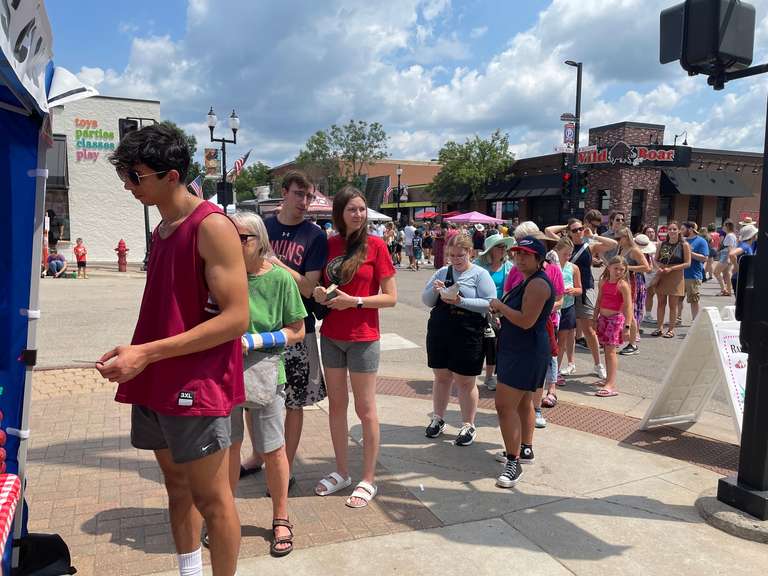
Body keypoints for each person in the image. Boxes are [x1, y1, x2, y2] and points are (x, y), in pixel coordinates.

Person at [97, 123, 248, 576]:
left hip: (197, 386)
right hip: (156, 380)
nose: (128, 185)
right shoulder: (163, 228)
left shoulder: (213, 226)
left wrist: (147, 353)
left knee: (213, 498)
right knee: (177, 487)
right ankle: (190, 570)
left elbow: (237, 318)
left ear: (172, 175)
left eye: (135, 176)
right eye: (126, 175)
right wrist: (136, 353)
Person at [312, 187, 397, 508]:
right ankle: (342, 471)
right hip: (331, 334)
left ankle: (368, 478)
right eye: (352, 209)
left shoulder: (376, 246)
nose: (358, 214)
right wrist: (322, 294)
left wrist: (356, 302)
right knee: (336, 406)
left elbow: (390, 297)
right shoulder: (328, 244)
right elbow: (323, 284)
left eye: (362, 209)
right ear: (340, 213)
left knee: (366, 409)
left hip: (363, 336)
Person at [228, 212, 306, 557]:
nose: (233, 242)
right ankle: (224, 517)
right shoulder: (220, 274)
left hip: (264, 372)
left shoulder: (279, 280)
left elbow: (297, 330)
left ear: (260, 240)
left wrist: (256, 341)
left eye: (241, 237)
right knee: (227, 449)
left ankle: (281, 516)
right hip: (223, 373)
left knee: (274, 449)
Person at [261, 171, 329, 487]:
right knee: (259, 399)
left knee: (294, 401)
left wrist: (275, 262)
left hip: (299, 328)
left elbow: (307, 287)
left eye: (309, 196)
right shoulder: (261, 227)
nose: (304, 202)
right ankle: (262, 459)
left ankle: (285, 467)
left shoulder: (314, 235)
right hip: (261, 327)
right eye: (299, 194)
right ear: (284, 193)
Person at [489, 236, 554, 488]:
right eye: (517, 253)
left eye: (526, 254)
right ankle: (524, 450)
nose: (519, 257)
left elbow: (526, 320)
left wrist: (499, 306)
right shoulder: (528, 280)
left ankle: (513, 462)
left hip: (524, 352)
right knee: (524, 402)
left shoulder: (537, 284)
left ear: (539, 259)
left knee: (504, 406)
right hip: (520, 349)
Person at [422, 234, 495, 446]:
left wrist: (461, 300)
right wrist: (434, 290)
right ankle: (438, 418)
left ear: (470, 253)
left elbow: (489, 303)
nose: (455, 259)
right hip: (441, 328)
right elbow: (427, 301)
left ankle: (468, 424)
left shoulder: (480, 274)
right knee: (441, 376)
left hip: (468, 330)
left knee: (465, 380)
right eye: (451, 255)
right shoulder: (443, 271)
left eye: (460, 255)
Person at [545, 219, 618, 380]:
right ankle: (567, 365)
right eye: (576, 230)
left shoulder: (589, 246)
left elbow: (613, 244)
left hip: (584, 290)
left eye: (581, 228)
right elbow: (548, 230)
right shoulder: (565, 245)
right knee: (567, 332)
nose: (579, 232)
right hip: (564, 293)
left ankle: (598, 364)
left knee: (588, 329)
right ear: (569, 232)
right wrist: (565, 226)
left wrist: (593, 235)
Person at [474, 234, 516, 391]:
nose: (504, 250)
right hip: (482, 310)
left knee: (497, 344)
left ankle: (490, 377)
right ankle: (479, 375)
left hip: (502, 311)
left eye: (505, 247)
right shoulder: (478, 266)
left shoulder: (509, 267)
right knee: (485, 344)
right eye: (500, 247)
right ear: (491, 250)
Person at [593, 256, 633, 397]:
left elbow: (628, 307)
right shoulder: (603, 281)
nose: (618, 272)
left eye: (622, 270)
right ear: (609, 267)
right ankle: (608, 378)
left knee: (610, 351)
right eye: (616, 268)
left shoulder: (623, 285)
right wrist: (595, 317)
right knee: (606, 348)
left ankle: (611, 383)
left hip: (615, 319)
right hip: (603, 318)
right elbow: (599, 300)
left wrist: (627, 327)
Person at [652, 221, 691, 338]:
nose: (672, 231)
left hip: (676, 276)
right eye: (670, 229)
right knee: (660, 303)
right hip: (662, 274)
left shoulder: (684, 245)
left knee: (673, 305)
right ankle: (659, 328)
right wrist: (659, 268)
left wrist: (672, 268)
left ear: (679, 231)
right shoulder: (662, 244)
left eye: (675, 229)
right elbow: (656, 259)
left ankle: (671, 329)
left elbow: (687, 263)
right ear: (667, 231)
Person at [616, 228, 650, 355]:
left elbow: (646, 267)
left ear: (627, 237)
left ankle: (633, 343)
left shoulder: (634, 250)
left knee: (629, 311)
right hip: (621, 282)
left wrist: (627, 267)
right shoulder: (621, 248)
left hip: (630, 282)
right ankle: (622, 338)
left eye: (620, 238)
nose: (618, 240)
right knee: (620, 309)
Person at [554, 237, 581, 379]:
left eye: (570, 254)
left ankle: (556, 371)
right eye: (565, 253)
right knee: (552, 340)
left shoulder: (573, 268)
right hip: (553, 308)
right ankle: (551, 369)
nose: (568, 256)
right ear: (557, 251)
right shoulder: (551, 266)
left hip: (567, 306)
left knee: (562, 339)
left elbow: (580, 289)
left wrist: (573, 290)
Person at [682, 221, 709, 321]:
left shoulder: (701, 241)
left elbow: (704, 258)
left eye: (683, 229)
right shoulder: (682, 241)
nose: (681, 231)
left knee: (694, 300)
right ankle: (677, 318)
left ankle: (695, 321)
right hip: (680, 275)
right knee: (677, 299)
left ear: (690, 229)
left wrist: (690, 252)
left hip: (693, 275)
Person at [729, 224, 758, 293]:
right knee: (743, 302)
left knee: (741, 302)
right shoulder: (746, 246)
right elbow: (732, 254)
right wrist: (736, 267)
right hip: (740, 278)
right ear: (752, 236)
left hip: (740, 278)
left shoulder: (746, 245)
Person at [715, 220, 737, 296]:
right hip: (728, 255)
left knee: (716, 272)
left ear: (727, 226)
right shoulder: (732, 235)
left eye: (724, 226)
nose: (723, 227)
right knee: (726, 274)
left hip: (726, 255)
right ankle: (728, 291)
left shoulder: (729, 235)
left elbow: (730, 247)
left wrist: (728, 258)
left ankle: (723, 289)